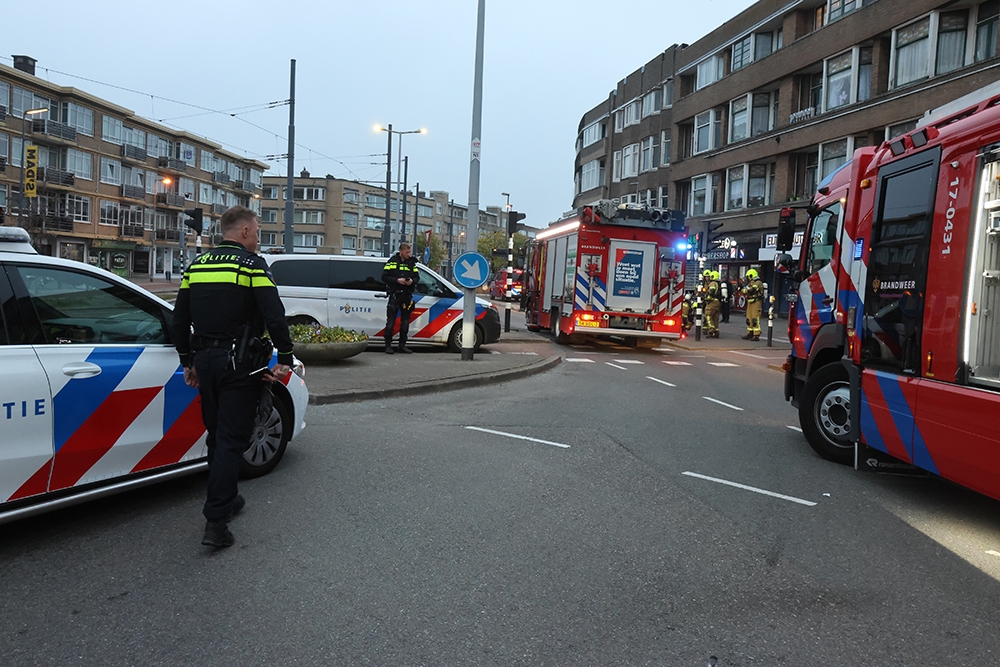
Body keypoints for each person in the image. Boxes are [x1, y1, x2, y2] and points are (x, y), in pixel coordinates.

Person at [173, 205, 294, 548]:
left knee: (217, 435)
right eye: (256, 231)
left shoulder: (196, 266)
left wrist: (187, 361)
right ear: (243, 231)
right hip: (238, 365)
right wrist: (284, 356)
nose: (257, 237)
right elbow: (274, 314)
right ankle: (216, 523)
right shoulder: (252, 265)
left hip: (206, 362)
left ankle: (228, 499)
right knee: (230, 440)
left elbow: (180, 319)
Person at [382, 242, 420, 354]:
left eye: (409, 252)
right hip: (395, 295)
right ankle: (388, 346)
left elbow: (417, 277)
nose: (409, 254)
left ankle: (402, 345)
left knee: (405, 323)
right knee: (391, 322)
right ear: (401, 251)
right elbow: (384, 276)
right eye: (407, 252)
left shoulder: (411, 263)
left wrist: (412, 281)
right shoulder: (392, 262)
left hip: (406, 296)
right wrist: (397, 280)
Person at [742, 268, 764, 341]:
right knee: (749, 319)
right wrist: (745, 290)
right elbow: (745, 290)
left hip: (756, 302)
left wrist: (746, 290)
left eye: (749, 276)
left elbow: (751, 291)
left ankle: (756, 335)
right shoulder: (751, 283)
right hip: (750, 302)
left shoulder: (758, 283)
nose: (748, 278)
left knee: (755, 319)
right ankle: (750, 333)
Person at [704, 271, 721, 338]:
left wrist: (707, 298)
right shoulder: (718, 283)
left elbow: (712, 292)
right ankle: (716, 332)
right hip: (718, 302)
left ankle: (712, 331)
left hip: (712, 302)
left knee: (708, 315)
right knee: (715, 318)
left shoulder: (713, 283)